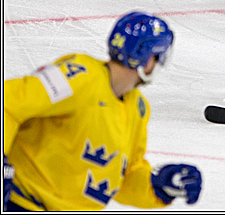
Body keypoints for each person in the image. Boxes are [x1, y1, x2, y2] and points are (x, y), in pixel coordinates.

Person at [3, 12, 202, 211]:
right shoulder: (79, 75)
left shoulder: (138, 108)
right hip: (21, 203)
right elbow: (9, 102)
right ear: (147, 58)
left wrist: (159, 186)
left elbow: (124, 177)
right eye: (158, 58)